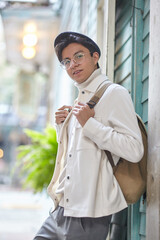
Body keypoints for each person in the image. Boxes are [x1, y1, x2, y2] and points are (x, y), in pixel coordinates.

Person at [33, 32, 144, 240]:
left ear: (95, 57)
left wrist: (89, 124)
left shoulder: (114, 93)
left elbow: (134, 149)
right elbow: (77, 155)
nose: (72, 64)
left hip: (89, 214)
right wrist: (62, 127)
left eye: (79, 56)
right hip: (62, 209)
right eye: (66, 61)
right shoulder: (79, 100)